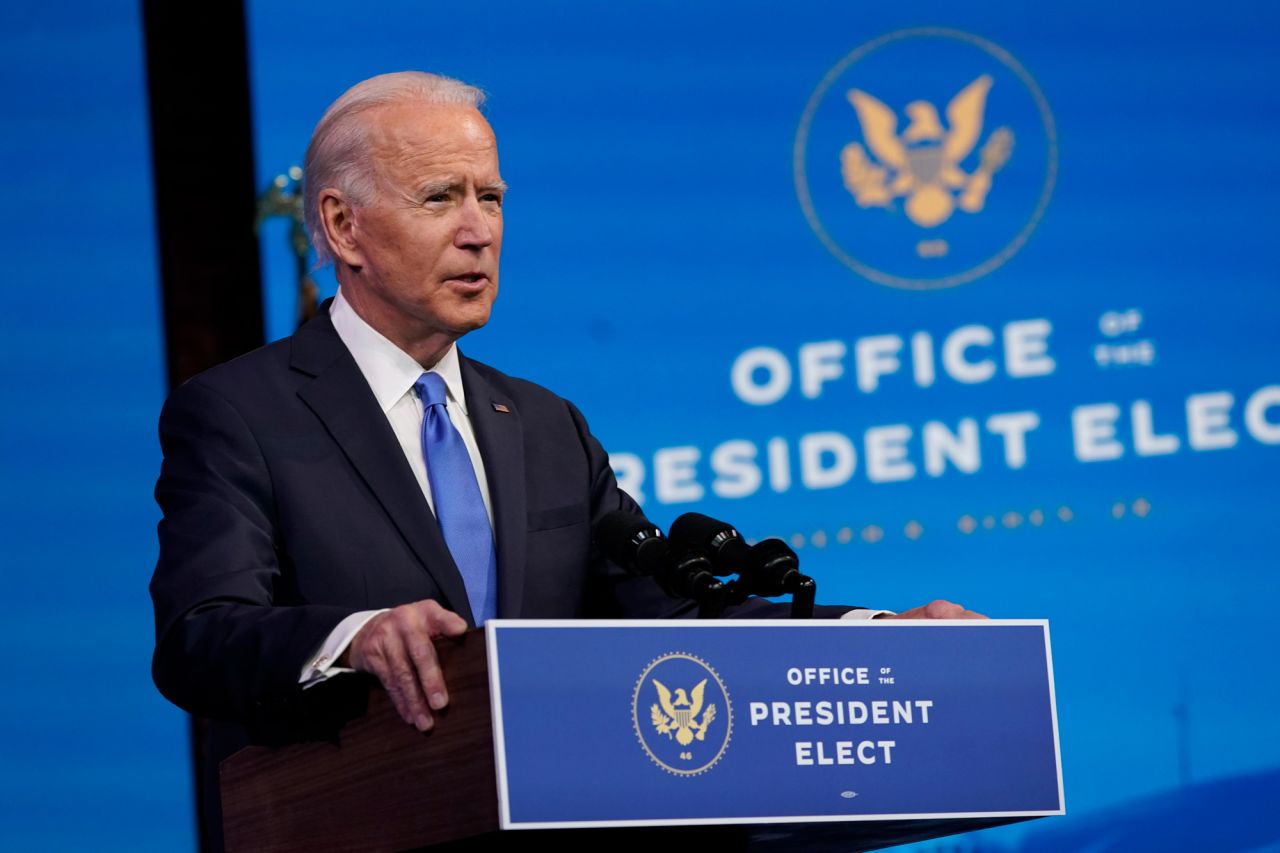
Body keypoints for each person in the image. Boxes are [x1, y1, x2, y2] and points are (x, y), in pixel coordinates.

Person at [150, 70, 982, 840]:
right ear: (342, 226)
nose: (479, 231)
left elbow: (672, 616)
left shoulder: (545, 424)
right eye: (441, 197)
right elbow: (200, 637)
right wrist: (354, 636)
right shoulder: (239, 413)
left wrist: (875, 636)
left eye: (493, 197)